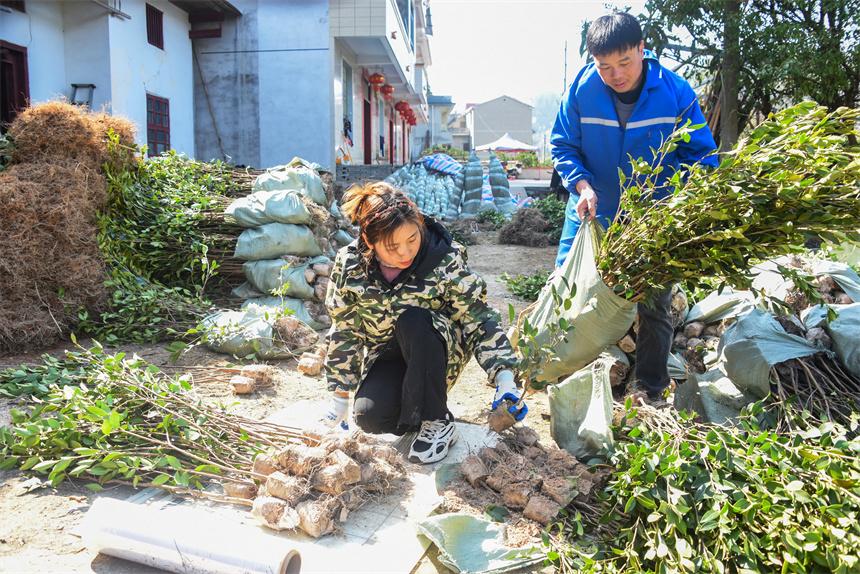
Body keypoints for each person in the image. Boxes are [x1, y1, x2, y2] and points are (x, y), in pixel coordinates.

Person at [551, 12, 718, 402]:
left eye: (624, 62)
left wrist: (680, 202)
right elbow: (562, 144)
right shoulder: (581, 89)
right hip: (592, 211)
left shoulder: (674, 92)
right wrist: (582, 184)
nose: (616, 74)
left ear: (642, 49)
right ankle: (567, 381)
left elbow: (702, 156)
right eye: (604, 66)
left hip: (653, 217)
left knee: (655, 304)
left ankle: (650, 389)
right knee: (567, 290)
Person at [320, 181, 527, 464]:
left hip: (437, 348)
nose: (405, 253)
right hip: (388, 353)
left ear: (420, 226)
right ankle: (416, 407)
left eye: (412, 239)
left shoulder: (444, 258)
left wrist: (504, 377)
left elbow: (478, 317)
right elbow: (345, 328)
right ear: (370, 242)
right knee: (370, 417)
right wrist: (340, 397)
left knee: (414, 319)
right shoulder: (351, 265)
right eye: (392, 246)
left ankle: (438, 420)